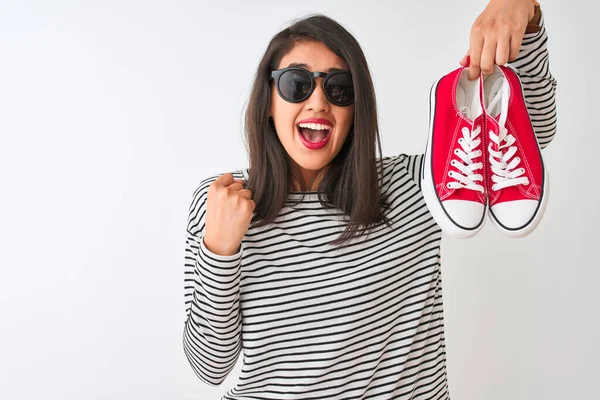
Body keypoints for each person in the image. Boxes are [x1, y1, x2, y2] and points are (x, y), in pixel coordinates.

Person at [183, 0, 557, 398]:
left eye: (339, 88)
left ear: (356, 109)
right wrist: (220, 251)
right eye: (296, 83)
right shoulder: (224, 203)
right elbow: (210, 365)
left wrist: (524, 11)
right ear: (268, 103)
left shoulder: (416, 186)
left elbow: (529, 134)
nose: (317, 102)